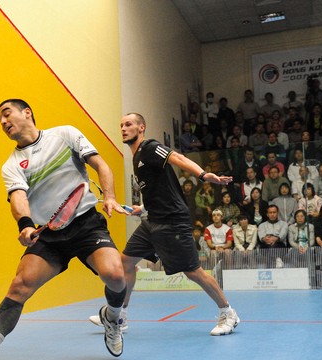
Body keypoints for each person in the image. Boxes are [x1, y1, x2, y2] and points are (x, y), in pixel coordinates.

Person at [0, 99, 128, 360]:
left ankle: (112, 317)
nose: (3, 122)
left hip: (86, 225)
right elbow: (18, 198)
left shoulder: (65, 134)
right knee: (20, 286)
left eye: (6, 114)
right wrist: (25, 224)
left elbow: (100, 165)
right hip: (49, 234)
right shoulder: (12, 165)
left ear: (27, 113)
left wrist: (110, 196)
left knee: (115, 275)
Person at [95, 112, 240, 336]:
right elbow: (160, 189)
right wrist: (142, 208)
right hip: (152, 220)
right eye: (121, 125)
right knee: (125, 262)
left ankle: (228, 313)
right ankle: (119, 316)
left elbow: (178, 158)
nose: (123, 128)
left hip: (173, 221)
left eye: (129, 124)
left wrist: (203, 175)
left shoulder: (150, 147)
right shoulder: (136, 157)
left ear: (141, 127)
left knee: (193, 272)